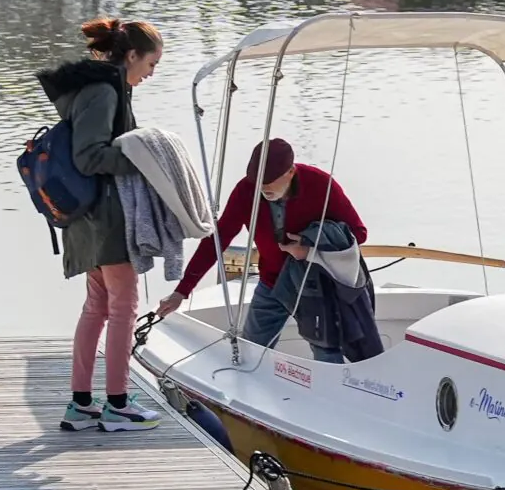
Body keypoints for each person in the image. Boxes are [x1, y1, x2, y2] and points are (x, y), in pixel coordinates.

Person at [36, 17, 168, 433]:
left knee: (97, 307)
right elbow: (89, 156)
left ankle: (81, 405)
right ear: (131, 55)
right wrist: (145, 159)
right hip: (104, 218)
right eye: (152, 63)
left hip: (88, 217)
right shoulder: (104, 91)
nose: (151, 73)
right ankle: (117, 405)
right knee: (123, 308)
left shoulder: (102, 88)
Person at [154, 138, 367, 353]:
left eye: (270, 183)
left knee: (327, 352)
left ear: (291, 172)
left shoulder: (320, 184)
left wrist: (309, 247)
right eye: (259, 184)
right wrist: (182, 291)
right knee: (251, 351)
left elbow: (358, 233)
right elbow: (217, 241)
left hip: (315, 284)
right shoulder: (247, 190)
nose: (263, 188)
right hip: (272, 282)